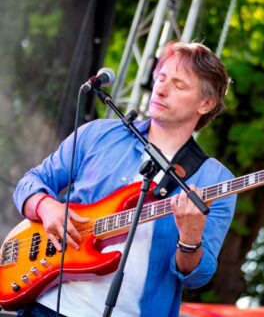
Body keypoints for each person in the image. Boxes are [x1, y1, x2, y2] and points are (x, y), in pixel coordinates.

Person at [13, 41, 237, 317]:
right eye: (161, 78)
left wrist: (190, 238)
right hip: (46, 304)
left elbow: (197, 276)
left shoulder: (215, 180)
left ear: (205, 103)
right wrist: (46, 206)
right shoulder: (97, 134)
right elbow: (31, 182)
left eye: (179, 85)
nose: (162, 89)